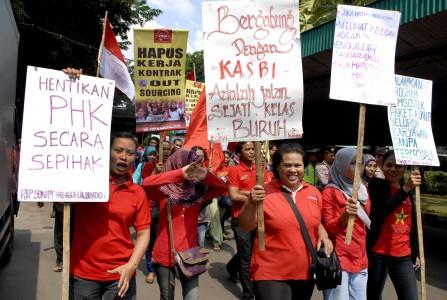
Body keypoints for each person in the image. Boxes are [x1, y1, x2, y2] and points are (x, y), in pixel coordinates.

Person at [238, 142, 333, 300]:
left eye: (298, 165)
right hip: (270, 273)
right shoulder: (263, 192)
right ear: (277, 167)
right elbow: (245, 225)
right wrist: (251, 202)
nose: (293, 170)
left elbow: (315, 220)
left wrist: (324, 235)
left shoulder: (315, 193)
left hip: (305, 272)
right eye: (287, 165)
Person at [70, 132, 151, 300]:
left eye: (129, 153)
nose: (123, 157)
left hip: (121, 274)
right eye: (118, 150)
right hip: (84, 274)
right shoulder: (85, 183)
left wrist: (131, 266)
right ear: (107, 152)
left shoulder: (137, 192)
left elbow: (143, 233)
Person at [142, 149, 227, 300]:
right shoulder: (163, 190)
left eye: (194, 165)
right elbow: (146, 183)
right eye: (188, 165)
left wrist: (205, 174)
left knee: (192, 298)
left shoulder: (199, 192)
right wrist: (180, 173)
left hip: (191, 255)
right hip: (165, 255)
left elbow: (222, 187)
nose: (191, 169)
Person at [366, 151, 421, 300]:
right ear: (382, 166)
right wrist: (405, 189)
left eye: (398, 166)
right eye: (389, 165)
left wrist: (416, 252)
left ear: (405, 168)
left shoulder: (409, 189)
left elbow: (413, 225)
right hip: (378, 253)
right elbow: (382, 209)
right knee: (373, 296)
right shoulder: (377, 185)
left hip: (402, 254)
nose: (393, 169)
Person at [321, 148, 371, 300]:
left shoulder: (363, 190)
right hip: (340, 260)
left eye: (361, 163)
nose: (359, 168)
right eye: (353, 163)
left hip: (360, 258)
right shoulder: (330, 191)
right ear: (342, 164)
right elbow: (330, 227)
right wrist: (344, 216)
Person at [226, 141, 270, 300]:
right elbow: (234, 195)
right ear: (240, 152)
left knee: (253, 253)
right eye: (248, 149)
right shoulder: (235, 170)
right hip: (240, 219)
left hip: (260, 218)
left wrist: (247, 193)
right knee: (246, 257)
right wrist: (252, 195)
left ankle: (231, 268)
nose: (252, 151)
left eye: (254, 149)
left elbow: (269, 193)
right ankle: (248, 295)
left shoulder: (263, 171)